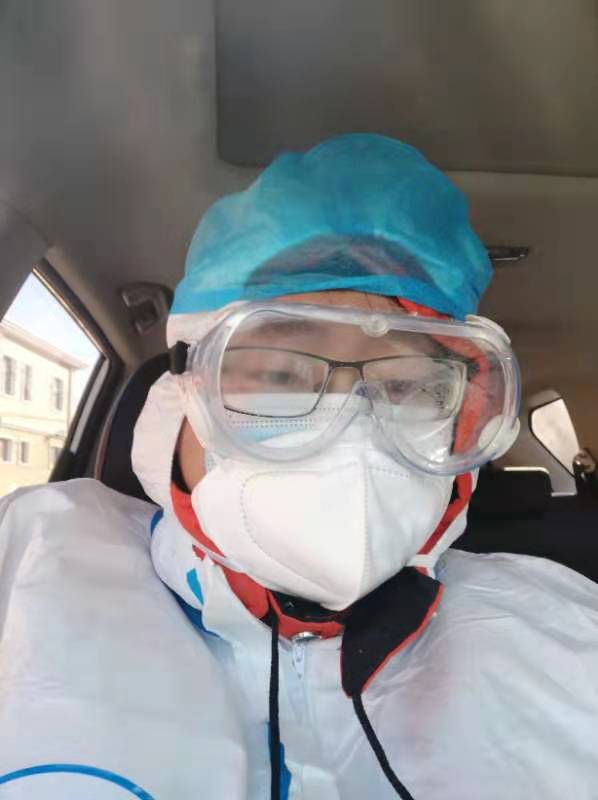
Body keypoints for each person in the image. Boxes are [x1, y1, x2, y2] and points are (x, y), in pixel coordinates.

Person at [0, 134, 596, 800]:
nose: (352, 429)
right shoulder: (30, 562)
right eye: (280, 373)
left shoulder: (569, 637)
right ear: (183, 395)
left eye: (407, 386)